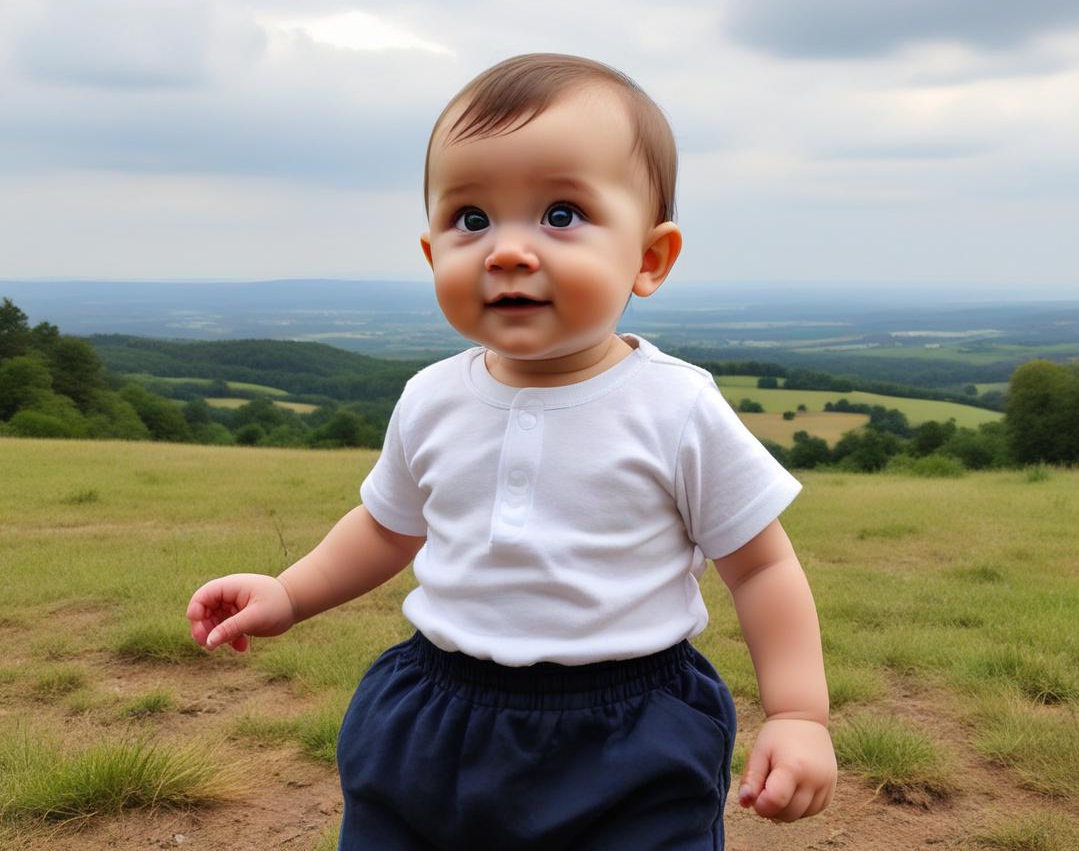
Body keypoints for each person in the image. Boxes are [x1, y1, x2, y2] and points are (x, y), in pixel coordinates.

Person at [186, 52, 837, 849]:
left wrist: (799, 713)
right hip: (434, 716)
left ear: (650, 258)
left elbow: (761, 567)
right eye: (471, 219)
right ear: (433, 254)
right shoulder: (431, 397)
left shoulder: (677, 406)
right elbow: (387, 526)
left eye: (561, 213)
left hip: (628, 734)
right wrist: (288, 593)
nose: (506, 251)